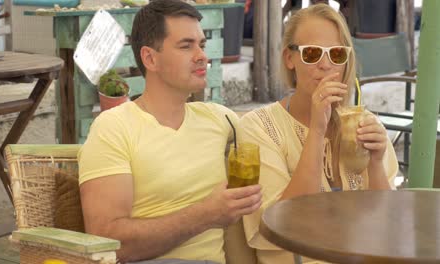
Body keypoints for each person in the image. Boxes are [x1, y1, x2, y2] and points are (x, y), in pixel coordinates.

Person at [77, 1, 262, 263]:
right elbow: (106, 242)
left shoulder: (219, 119)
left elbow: (271, 130)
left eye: (202, 44)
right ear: (150, 58)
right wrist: (206, 215)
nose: (201, 55)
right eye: (186, 46)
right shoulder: (113, 128)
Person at [238, 4, 398, 263]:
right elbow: (279, 225)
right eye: (312, 53)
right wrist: (317, 129)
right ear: (289, 59)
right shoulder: (258, 127)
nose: (325, 64)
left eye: (336, 54)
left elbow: (386, 225)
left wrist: (377, 164)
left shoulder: (364, 123)